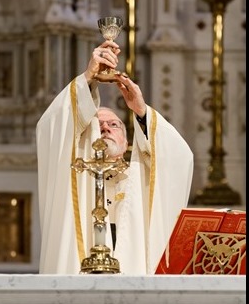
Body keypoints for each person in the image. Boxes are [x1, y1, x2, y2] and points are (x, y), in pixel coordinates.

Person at [36, 40, 194, 275]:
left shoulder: (141, 175)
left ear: (128, 143)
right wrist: (88, 78)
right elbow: (51, 127)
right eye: (98, 125)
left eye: (114, 124)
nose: (107, 128)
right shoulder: (73, 173)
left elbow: (179, 157)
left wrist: (142, 113)